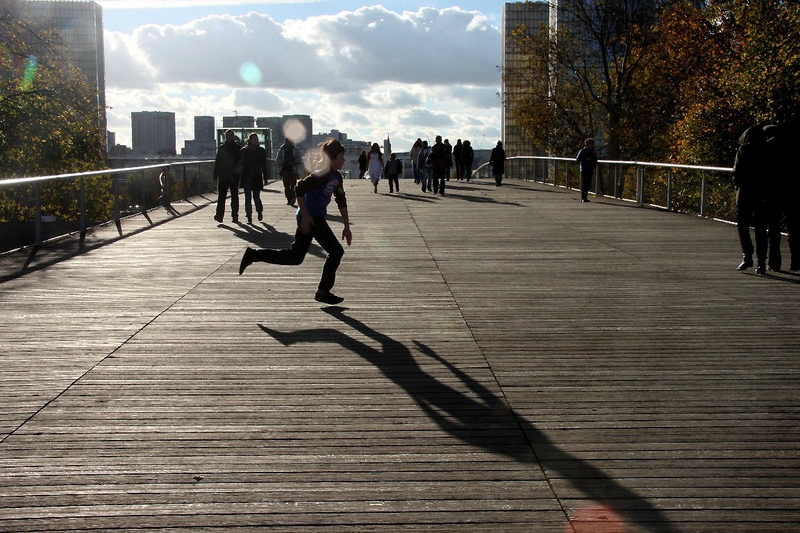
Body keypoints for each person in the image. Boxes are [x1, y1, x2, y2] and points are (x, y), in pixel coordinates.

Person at [239, 138, 352, 305]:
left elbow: (341, 200)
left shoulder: (335, 177)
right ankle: (323, 291)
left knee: (295, 257)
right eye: (341, 156)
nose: (344, 160)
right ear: (333, 157)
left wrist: (347, 227)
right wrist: (305, 216)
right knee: (336, 251)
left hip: (312, 216)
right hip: (311, 217)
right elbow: (299, 188)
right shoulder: (322, 173)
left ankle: (254, 255)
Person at [732, 125, 768, 274]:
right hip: (763, 194)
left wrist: (739, 184)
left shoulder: (743, 150)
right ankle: (761, 263)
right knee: (761, 229)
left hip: (746, 194)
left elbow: (737, 171)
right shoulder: (768, 150)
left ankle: (747, 256)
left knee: (743, 225)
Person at [238, 133, 267, 224]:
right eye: (254, 139)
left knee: (256, 196)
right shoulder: (244, 151)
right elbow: (241, 164)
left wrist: (265, 176)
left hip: (256, 176)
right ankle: (249, 215)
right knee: (247, 197)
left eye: (257, 139)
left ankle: (259, 211)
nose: (256, 140)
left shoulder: (261, 150)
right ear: (249, 140)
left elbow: (264, 164)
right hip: (246, 176)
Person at [213, 129, 241, 223]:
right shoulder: (222, 148)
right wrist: (215, 176)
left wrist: (238, 173)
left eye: (230, 136)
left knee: (234, 196)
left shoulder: (237, 149)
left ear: (233, 137)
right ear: (226, 137)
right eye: (227, 136)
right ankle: (219, 216)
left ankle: (234, 215)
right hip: (224, 176)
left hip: (233, 175)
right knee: (222, 197)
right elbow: (217, 163)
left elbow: (240, 163)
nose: (229, 137)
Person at [276, 138, 303, 207]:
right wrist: (284, 161)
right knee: (286, 186)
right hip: (285, 170)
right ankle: (289, 198)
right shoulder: (282, 150)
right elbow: (278, 160)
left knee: (293, 185)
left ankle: (292, 198)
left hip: (293, 170)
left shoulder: (296, 150)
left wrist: (293, 161)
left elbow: (299, 159)